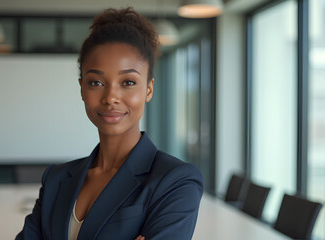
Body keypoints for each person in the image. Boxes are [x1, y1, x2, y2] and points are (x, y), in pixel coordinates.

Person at [15, 7, 203, 240]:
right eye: (96, 82)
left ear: (149, 89)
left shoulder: (175, 181)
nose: (110, 97)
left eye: (128, 82)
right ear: (82, 88)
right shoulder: (56, 179)